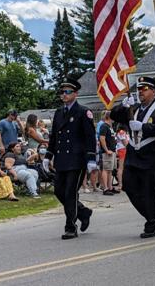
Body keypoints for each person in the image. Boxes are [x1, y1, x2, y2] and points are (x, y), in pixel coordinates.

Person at [45, 78, 97, 239]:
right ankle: (83, 211)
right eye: (62, 92)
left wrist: (91, 158)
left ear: (75, 94)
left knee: (70, 193)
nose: (64, 95)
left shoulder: (83, 112)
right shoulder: (59, 112)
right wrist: (48, 155)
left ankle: (70, 226)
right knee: (59, 191)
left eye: (67, 92)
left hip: (77, 159)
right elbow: (54, 136)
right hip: (62, 159)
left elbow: (90, 137)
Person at [124, 76, 155, 239]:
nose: (140, 92)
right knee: (129, 186)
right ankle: (151, 214)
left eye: (144, 89)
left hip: (154, 157)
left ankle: (152, 224)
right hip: (135, 156)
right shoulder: (135, 108)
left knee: (149, 191)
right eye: (139, 90)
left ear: (153, 91)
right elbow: (116, 116)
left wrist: (144, 127)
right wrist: (123, 105)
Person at [99, 110, 118, 195]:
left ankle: (110, 187)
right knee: (106, 169)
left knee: (110, 170)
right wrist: (106, 150)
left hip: (112, 151)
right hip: (107, 152)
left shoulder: (110, 126)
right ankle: (105, 188)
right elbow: (102, 139)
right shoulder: (104, 126)